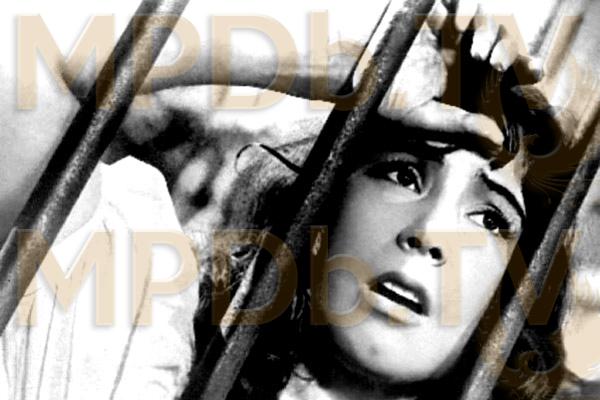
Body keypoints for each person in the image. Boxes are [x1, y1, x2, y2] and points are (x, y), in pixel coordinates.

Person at [179, 7, 585, 400]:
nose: (429, 232)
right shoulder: (162, 345)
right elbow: (140, 49)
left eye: (491, 220)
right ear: (329, 196)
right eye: (403, 176)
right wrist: (330, 66)